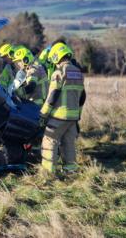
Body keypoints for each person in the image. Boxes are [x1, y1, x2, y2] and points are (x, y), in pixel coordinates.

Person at [39, 43, 86, 174]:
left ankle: (48, 173)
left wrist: (43, 114)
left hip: (58, 116)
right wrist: (78, 116)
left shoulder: (58, 73)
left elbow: (52, 96)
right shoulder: (78, 73)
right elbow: (83, 97)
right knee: (68, 144)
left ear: (56, 57)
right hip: (73, 117)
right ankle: (70, 171)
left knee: (49, 141)